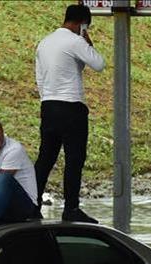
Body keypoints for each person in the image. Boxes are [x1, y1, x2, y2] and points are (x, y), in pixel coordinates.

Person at [34, 4, 105, 223]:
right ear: (81, 23)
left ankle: (31, 204)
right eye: (86, 26)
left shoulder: (44, 42)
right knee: (74, 159)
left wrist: (47, 97)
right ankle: (71, 208)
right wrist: (87, 42)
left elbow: (40, 77)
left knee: (46, 158)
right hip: (71, 107)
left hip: (48, 105)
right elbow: (99, 64)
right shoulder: (75, 41)